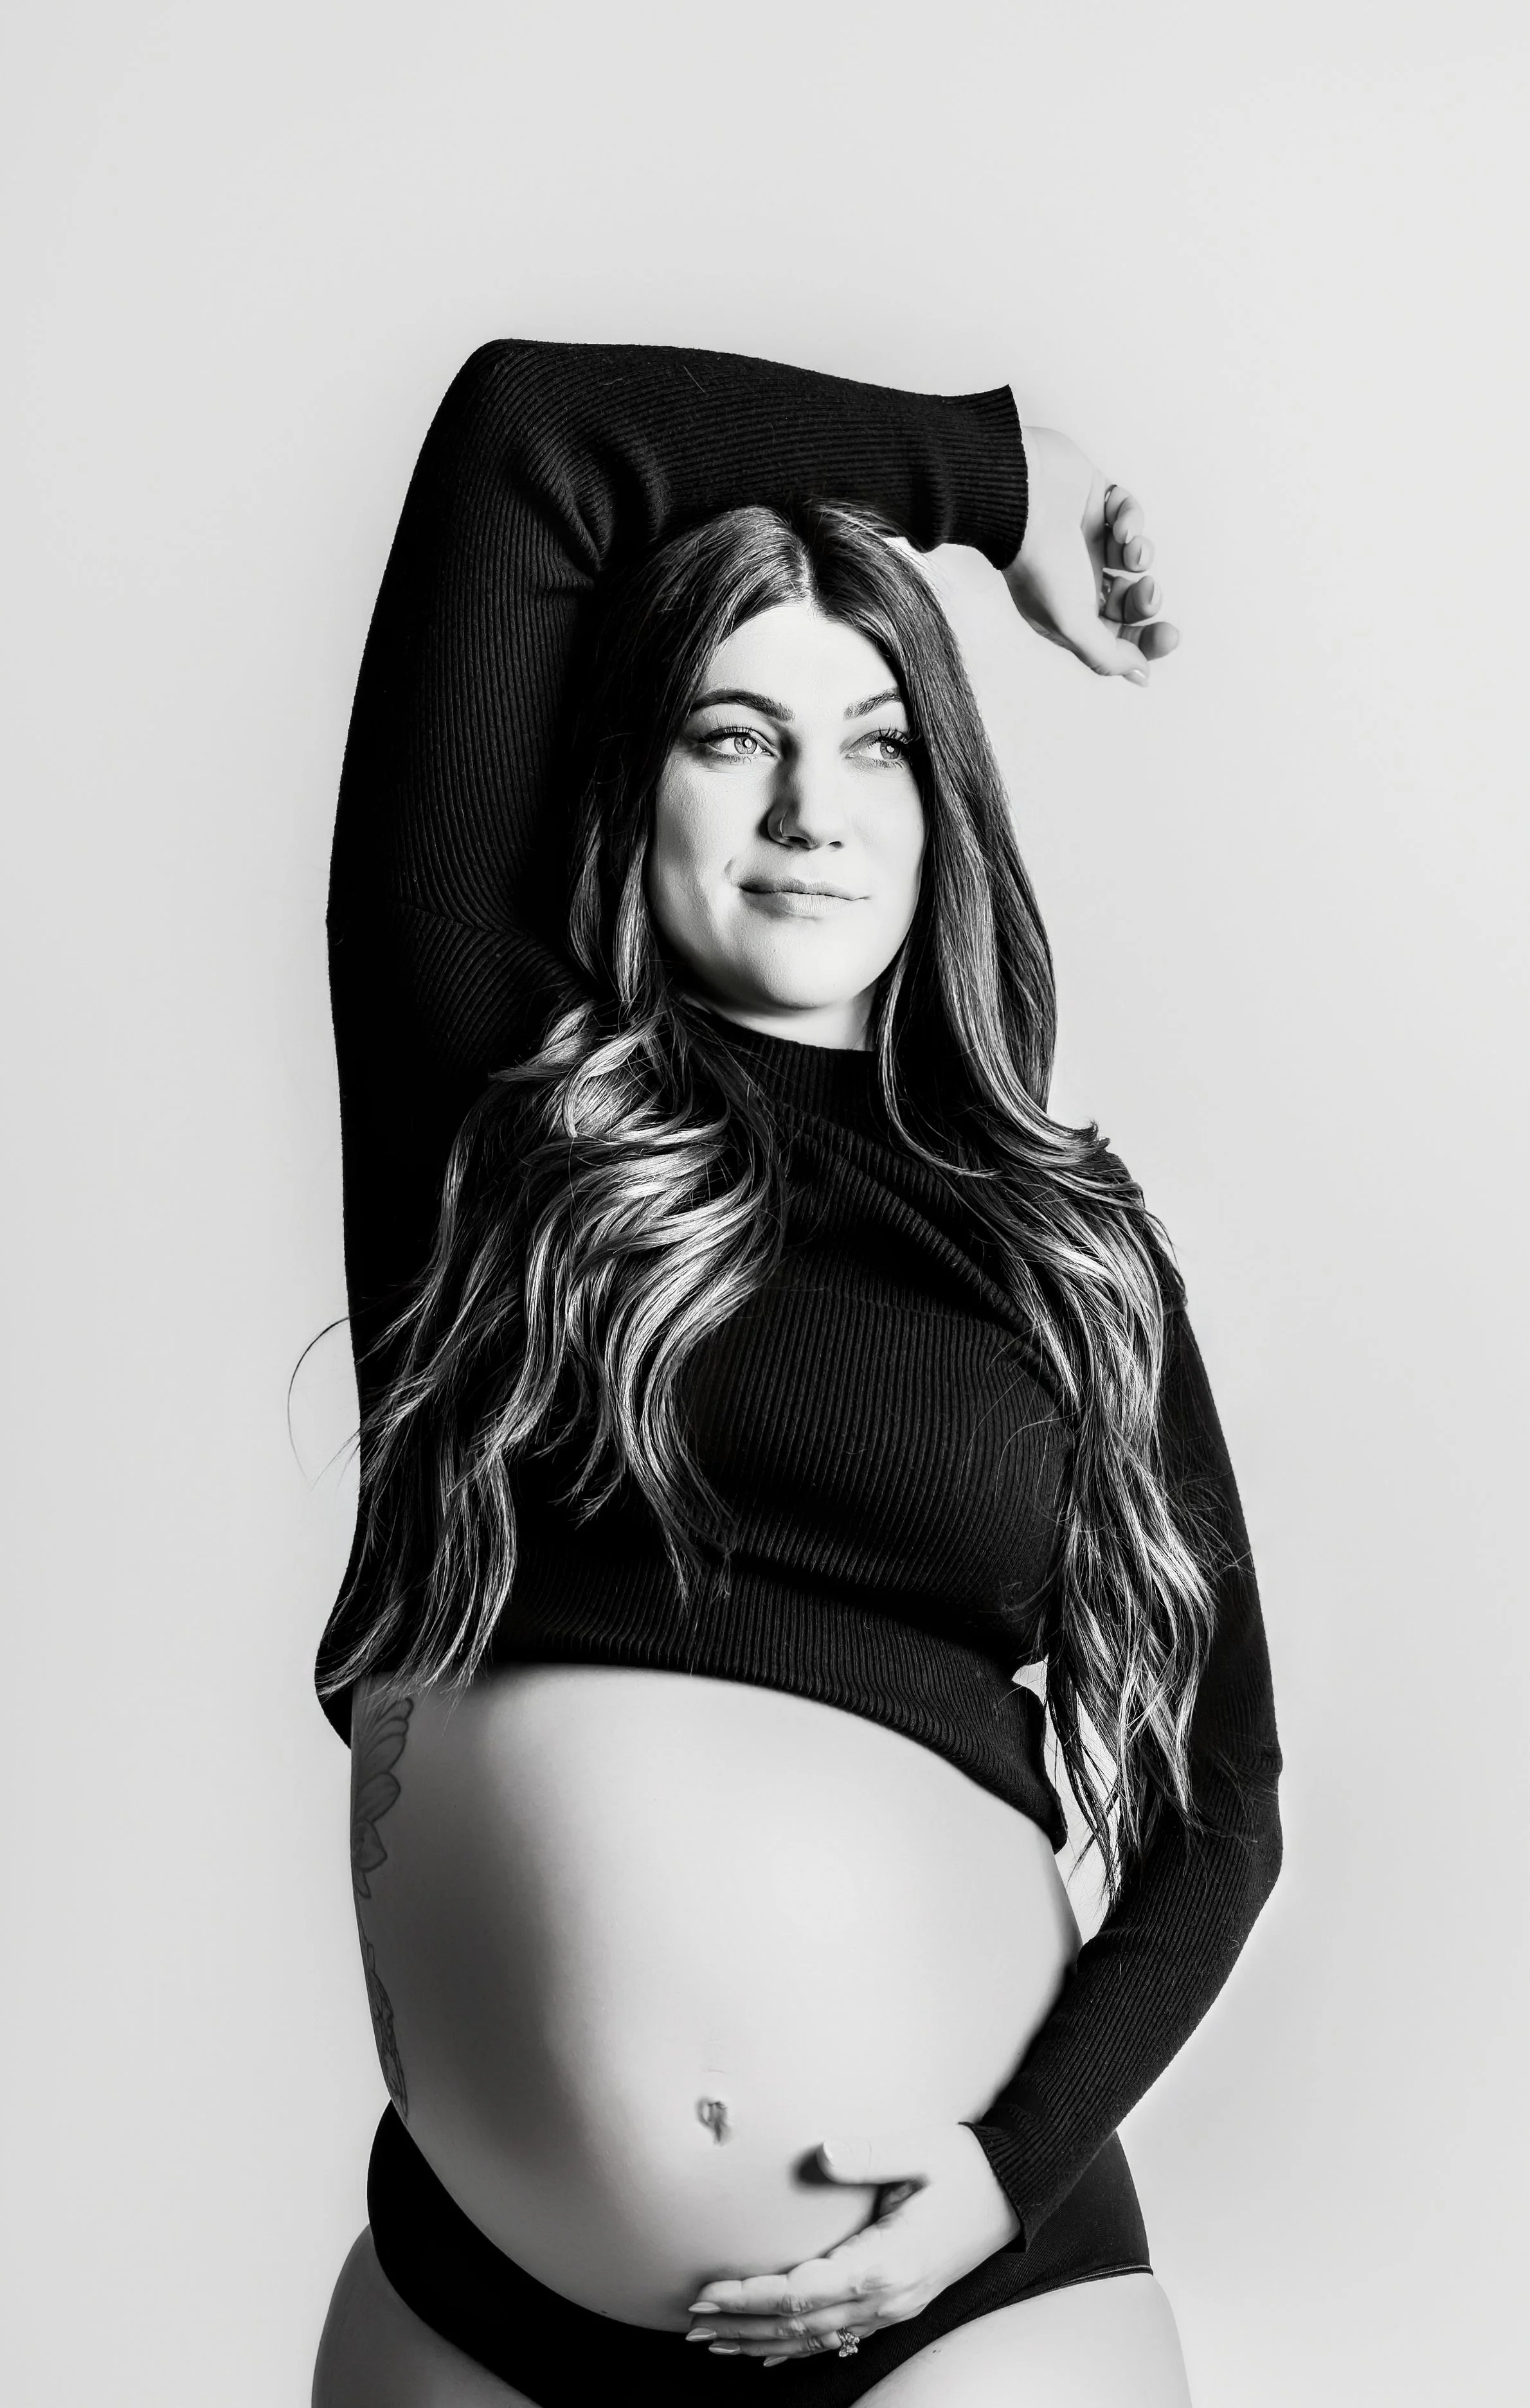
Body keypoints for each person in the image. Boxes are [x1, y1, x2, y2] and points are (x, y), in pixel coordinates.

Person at [308, 340, 1282, 2408]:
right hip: (471, 2304)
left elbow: (1223, 1811)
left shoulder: (1068, 1247)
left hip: (955, 2310)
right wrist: (989, 480)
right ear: (625, 785)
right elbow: (528, 441)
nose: (808, 811)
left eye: (875, 747)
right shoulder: (495, 1100)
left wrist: (994, 2187)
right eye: (730, 737)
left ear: (945, 804)